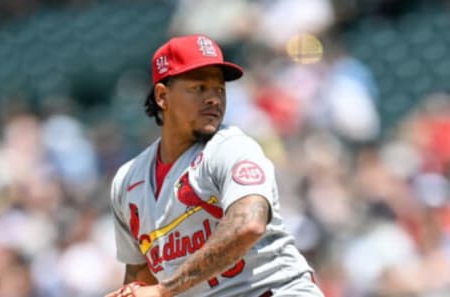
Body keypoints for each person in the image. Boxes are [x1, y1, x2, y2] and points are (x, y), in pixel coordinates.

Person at [106, 34, 324, 297]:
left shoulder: (230, 147)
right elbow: (141, 278)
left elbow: (249, 225)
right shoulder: (128, 181)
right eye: (199, 88)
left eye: (219, 88)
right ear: (163, 96)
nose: (214, 98)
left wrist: (165, 290)